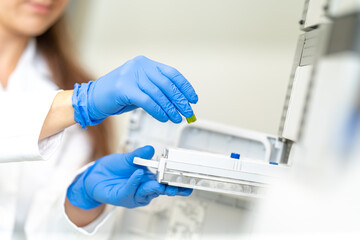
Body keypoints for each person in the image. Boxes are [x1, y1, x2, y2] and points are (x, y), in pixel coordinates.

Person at [0, 0, 198, 239]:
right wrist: (79, 103)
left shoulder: (71, 82)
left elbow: (42, 231)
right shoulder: (80, 99)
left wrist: (82, 201)